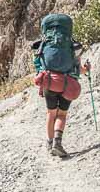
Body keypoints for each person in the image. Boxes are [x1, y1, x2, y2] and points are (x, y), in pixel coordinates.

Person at [32, 13, 90, 158]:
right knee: (62, 114)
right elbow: (78, 68)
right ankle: (57, 143)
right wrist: (86, 69)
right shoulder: (72, 46)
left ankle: (49, 142)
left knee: (51, 113)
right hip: (67, 83)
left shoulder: (43, 45)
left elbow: (38, 64)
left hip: (49, 82)